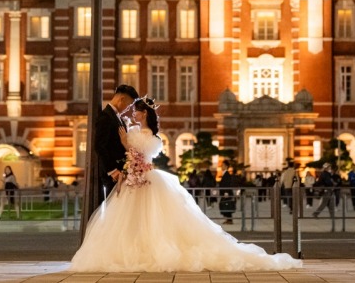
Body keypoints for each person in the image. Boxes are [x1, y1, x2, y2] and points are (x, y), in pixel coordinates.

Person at [69, 96, 301, 272]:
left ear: (145, 114)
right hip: (135, 178)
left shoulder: (150, 135)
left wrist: (125, 143)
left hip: (144, 177)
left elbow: (140, 156)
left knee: (152, 219)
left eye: (137, 111)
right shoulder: (135, 130)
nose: (134, 114)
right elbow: (133, 156)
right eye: (134, 111)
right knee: (135, 220)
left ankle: (149, 251)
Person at [95, 84, 139, 200]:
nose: (128, 108)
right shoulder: (106, 117)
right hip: (114, 175)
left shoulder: (118, 117)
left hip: (122, 172)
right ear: (122, 99)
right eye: (129, 105)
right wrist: (112, 170)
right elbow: (100, 145)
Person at [218, 160, 236, 224]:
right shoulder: (224, 174)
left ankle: (229, 220)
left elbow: (228, 183)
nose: (221, 166)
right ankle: (228, 219)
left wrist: (226, 192)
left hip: (226, 193)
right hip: (225, 193)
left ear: (226, 166)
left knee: (226, 205)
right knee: (225, 205)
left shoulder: (227, 174)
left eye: (222, 165)